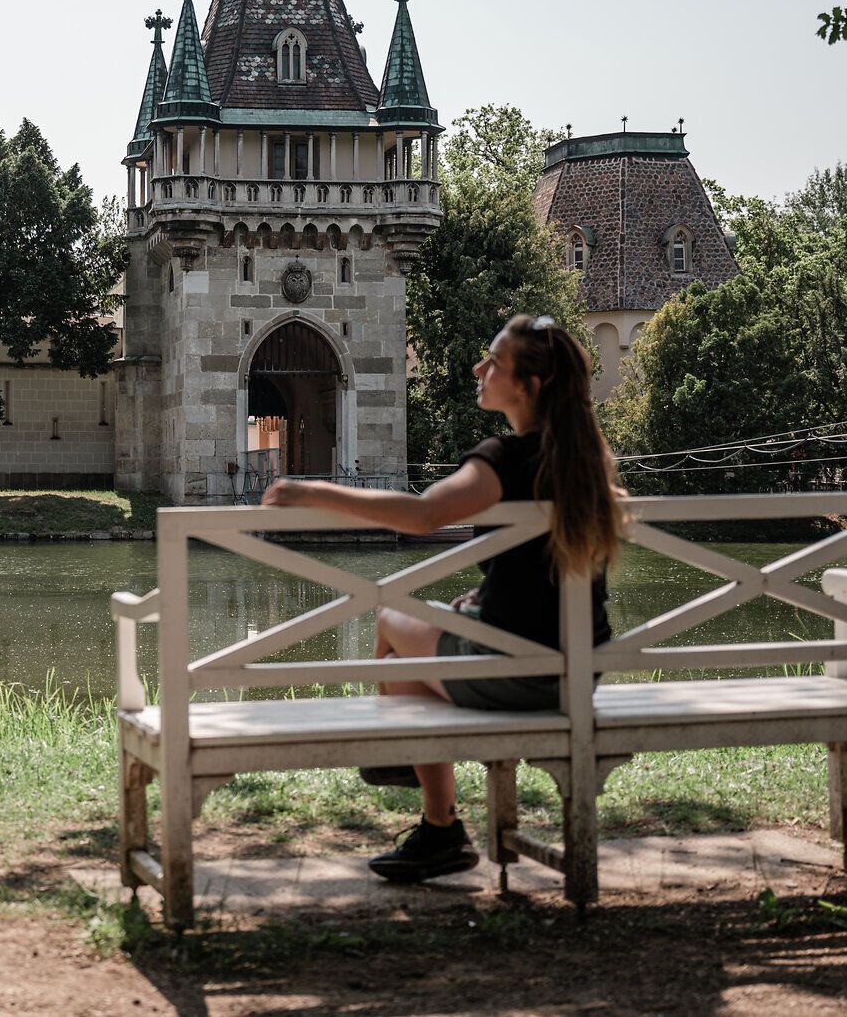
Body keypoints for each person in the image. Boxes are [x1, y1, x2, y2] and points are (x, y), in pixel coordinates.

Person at [262, 313, 626, 883]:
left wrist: (311, 490)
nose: (478, 368)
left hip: (517, 672)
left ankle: (432, 806)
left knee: (390, 618)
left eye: (495, 363)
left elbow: (425, 514)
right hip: (579, 673)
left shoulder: (505, 460)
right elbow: (541, 569)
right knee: (416, 636)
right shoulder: (588, 464)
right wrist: (483, 596)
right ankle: (418, 780)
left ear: (528, 388)